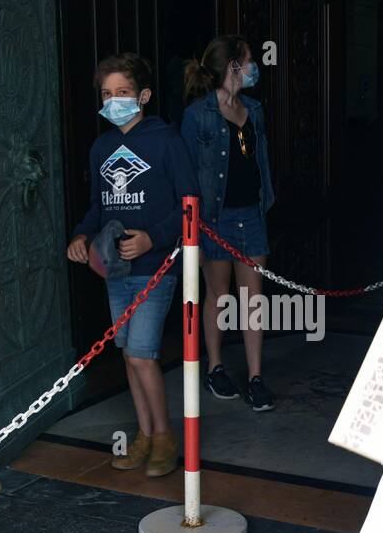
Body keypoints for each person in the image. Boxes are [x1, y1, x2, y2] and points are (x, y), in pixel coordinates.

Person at [66, 53, 195, 476]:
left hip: (155, 267)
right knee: (127, 354)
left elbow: (191, 204)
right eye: (107, 93)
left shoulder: (166, 140)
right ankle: (144, 435)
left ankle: (164, 438)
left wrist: (152, 238)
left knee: (141, 353)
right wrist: (81, 236)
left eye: (123, 92)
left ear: (144, 95)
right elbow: (97, 207)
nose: (114, 100)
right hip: (115, 271)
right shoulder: (101, 147)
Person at [180, 35, 277, 412]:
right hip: (214, 220)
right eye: (248, 60)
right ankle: (215, 368)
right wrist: (195, 227)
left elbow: (260, 163)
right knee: (219, 295)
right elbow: (187, 176)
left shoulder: (254, 108)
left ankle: (256, 378)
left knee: (253, 299)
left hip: (251, 214)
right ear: (233, 66)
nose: (253, 67)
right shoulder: (197, 115)